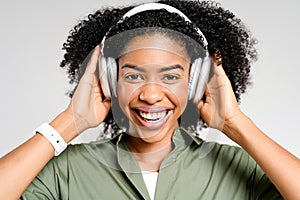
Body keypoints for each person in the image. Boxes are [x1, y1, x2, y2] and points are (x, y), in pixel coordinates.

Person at [0, 0, 299, 199]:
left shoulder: (239, 166)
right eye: (133, 76)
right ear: (109, 80)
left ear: (195, 84)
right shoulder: (65, 171)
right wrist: (69, 122)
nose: (151, 94)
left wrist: (236, 123)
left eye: (170, 76)